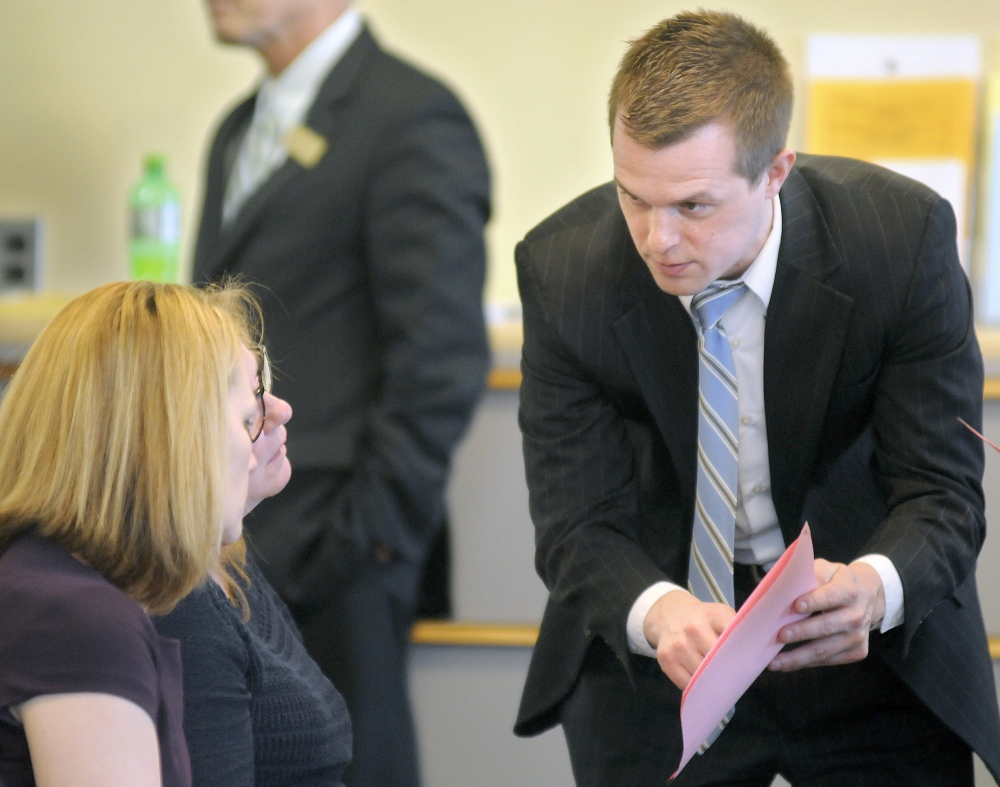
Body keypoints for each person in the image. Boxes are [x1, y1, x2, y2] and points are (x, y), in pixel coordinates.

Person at [512, 10, 1000, 786]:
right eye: (632, 196)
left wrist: (873, 589)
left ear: (777, 171)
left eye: (693, 206)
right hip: (662, 637)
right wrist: (658, 612)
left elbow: (942, 493)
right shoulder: (564, 270)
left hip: (865, 648)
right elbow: (576, 523)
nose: (655, 239)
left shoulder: (899, 243)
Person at [193, 1, 490, 784]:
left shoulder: (410, 115)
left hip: (341, 542)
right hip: (236, 534)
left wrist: (368, 540)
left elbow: (442, 357)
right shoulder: (236, 129)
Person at [0, 280, 264, 787]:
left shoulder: (34, 578)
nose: (253, 453)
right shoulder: (79, 620)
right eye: (248, 419)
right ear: (183, 431)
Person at [155, 375, 354, 786]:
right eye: (249, 406)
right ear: (178, 437)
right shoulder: (183, 606)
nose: (280, 410)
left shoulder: (230, 561)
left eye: (261, 382)